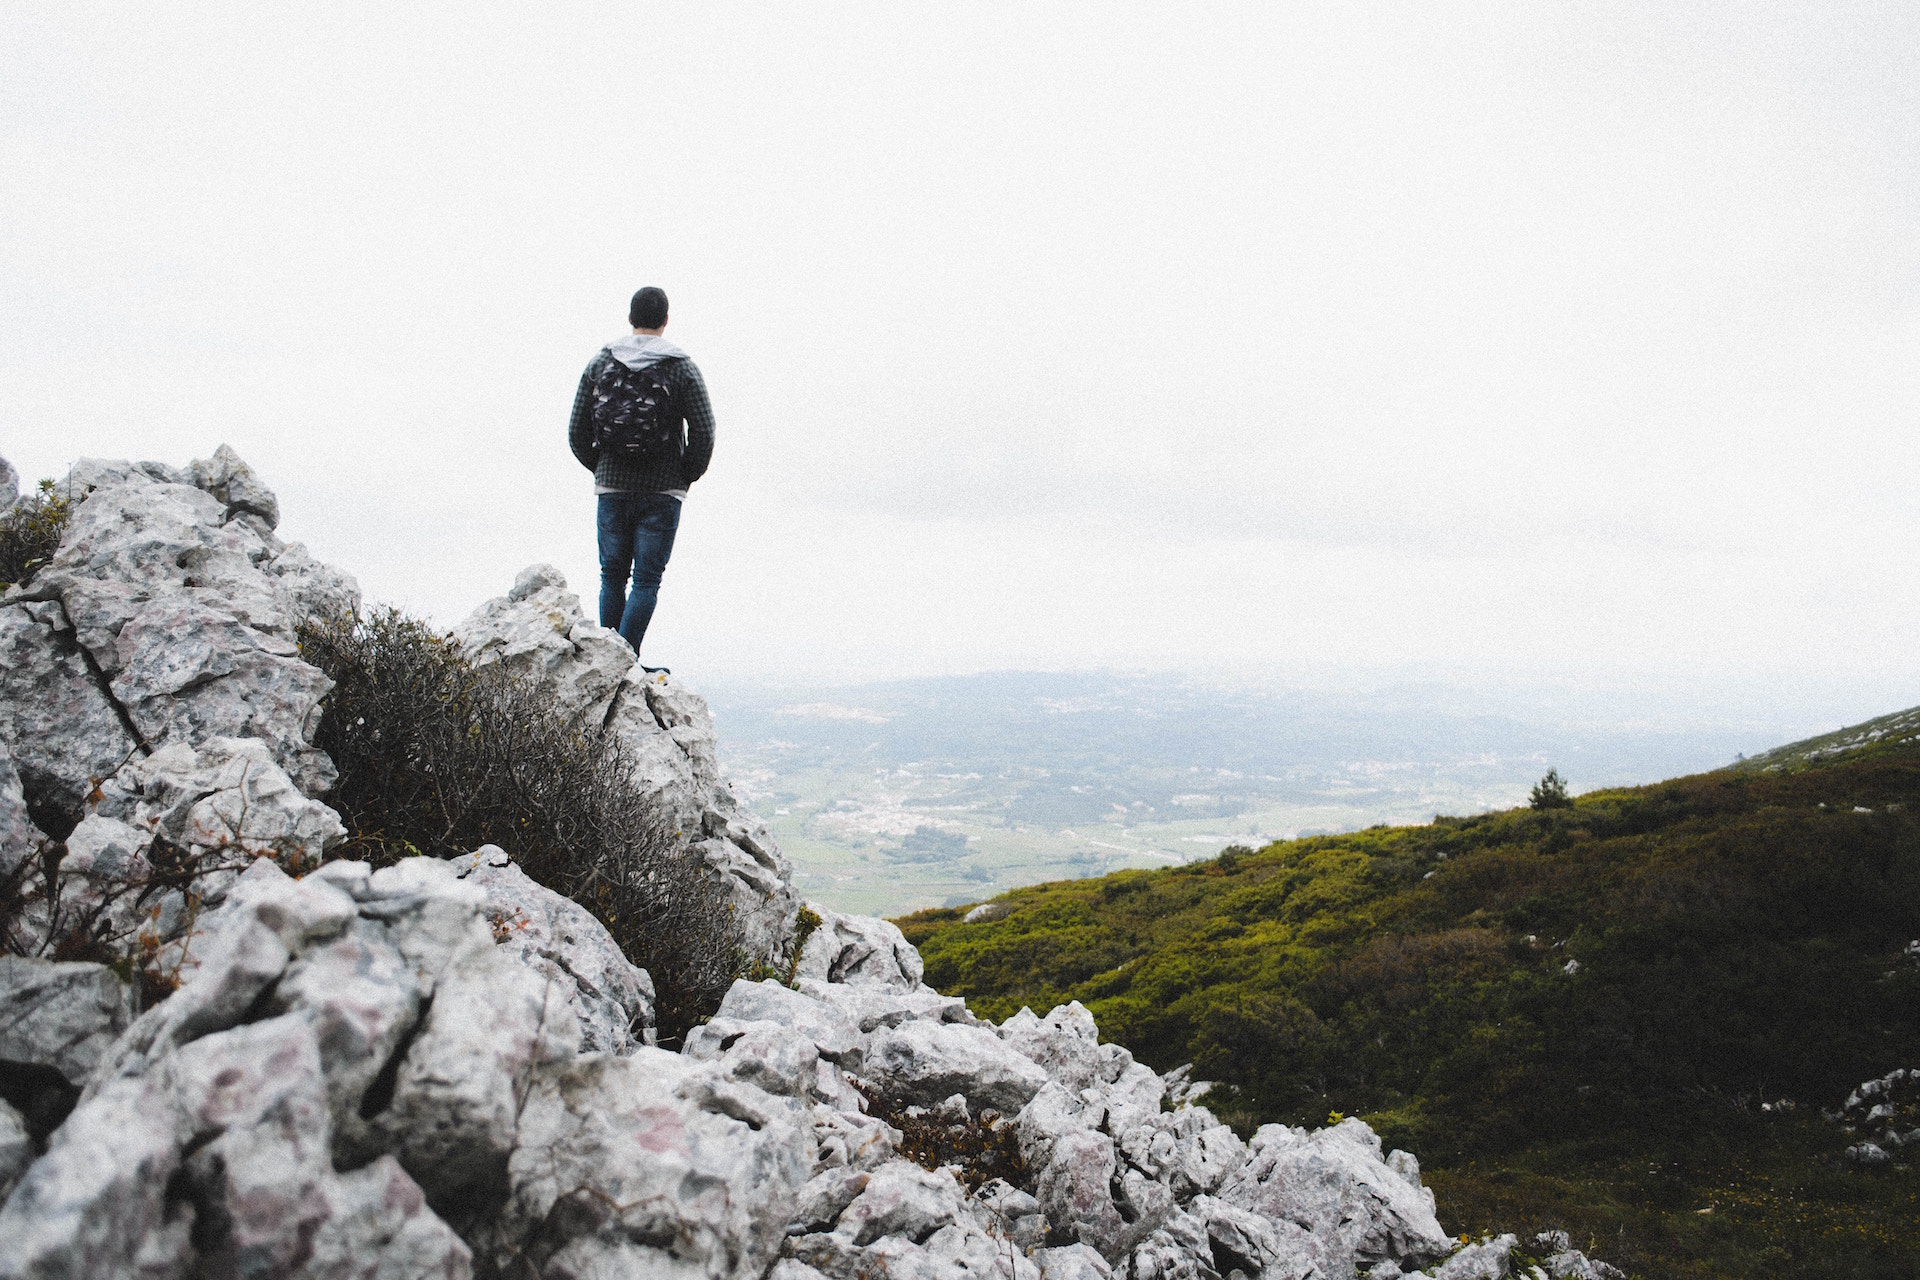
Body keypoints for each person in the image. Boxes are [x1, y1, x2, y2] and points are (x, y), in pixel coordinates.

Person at [568, 286, 715, 665]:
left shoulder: (600, 363)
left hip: (612, 487)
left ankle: (608, 661)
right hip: (663, 490)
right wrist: (685, 475)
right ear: (665, 320)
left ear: (630, 318)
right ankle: (624, 664)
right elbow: (704, 429)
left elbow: (576, 431)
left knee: (612, 575)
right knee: (646, 581)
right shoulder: (682, 368)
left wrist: (603, 466)